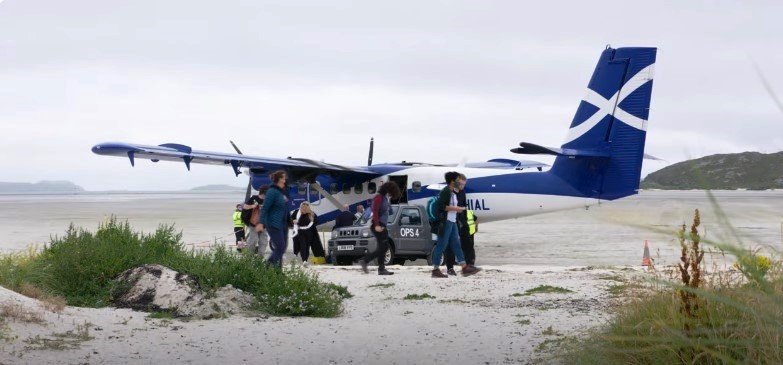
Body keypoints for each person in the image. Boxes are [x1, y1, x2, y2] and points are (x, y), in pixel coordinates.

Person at [431, 171, 481, 278]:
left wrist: (459, 210)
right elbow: (441, 206)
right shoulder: (446, 191)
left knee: (456, 244)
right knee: (442, 244)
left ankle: (464, 267)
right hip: (446, 222)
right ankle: (435, 269)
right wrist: (457, 209)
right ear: (453, 181)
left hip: (453, 221)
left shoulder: (453, 192)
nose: (459, 182)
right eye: (458, 180)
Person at [358, 181, 401, 276]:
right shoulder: (378, 197)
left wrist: (388, 207)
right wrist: (377, 225)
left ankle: (377, 267)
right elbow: (375, 211)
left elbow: (390, 212)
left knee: (383, 247)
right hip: (378, 225)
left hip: (382, 225)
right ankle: (368, 262)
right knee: (383, 247)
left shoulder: (385, 198)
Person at [444, 174, 478, 275]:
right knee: (451, 245)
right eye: (461, 184)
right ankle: (450, 268)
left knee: (468, 243)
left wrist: (470, 222)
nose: (462, 186)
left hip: (462, 221)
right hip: (451, 221)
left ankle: (469, 265)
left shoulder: (462, 192)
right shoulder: (448, 192)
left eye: (464, 184)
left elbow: (464, 207)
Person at [259, 170, 290, 268]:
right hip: (274, 223)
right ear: (279, 179)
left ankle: (277, 271)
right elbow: (265, 208)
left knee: (282, 248)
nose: (285, 179)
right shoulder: (272, 191)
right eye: (284, 177)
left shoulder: (282, 191)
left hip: (283, 223)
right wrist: (261, 223)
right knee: (280, 247)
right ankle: (267, 267)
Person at [242, 186, 269, 256]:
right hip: (253, 224)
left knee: (264, 242)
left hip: (264, 225)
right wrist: (252, 206)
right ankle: (249, 257)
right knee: (253, 240)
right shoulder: (254, 198)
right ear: (264, 192)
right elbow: (245, 207)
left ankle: (260, 257)